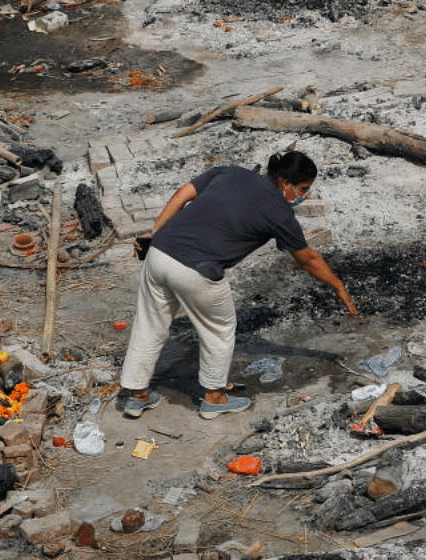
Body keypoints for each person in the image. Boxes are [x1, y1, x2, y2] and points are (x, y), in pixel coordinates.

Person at [119, 150, 359, 419]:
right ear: (284, 182)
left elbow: (184, 193)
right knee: (219, 330)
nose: (304, 196)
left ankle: (137, 396)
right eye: (302, 189)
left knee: (149, 324)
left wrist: (155, 231)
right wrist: (338, 285)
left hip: (159, 254)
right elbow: (309, 259)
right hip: (197, 270)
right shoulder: (279, 213)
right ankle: (214, 398)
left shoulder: (231, 172)